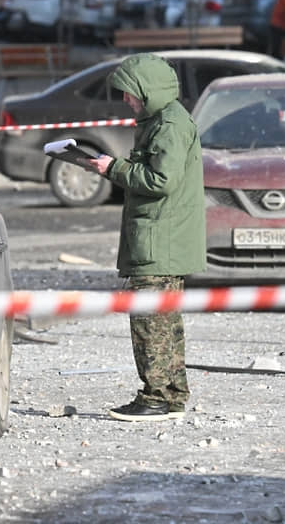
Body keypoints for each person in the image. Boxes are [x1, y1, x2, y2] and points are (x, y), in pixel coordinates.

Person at [85, 54, 206, 422]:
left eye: (129, 93)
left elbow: (160, 181)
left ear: (147, 91)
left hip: (159, 239)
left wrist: (113, 168)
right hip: (164, 238)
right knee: (165, 320)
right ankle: (171, 394)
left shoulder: (168, 125)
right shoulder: (165, 120)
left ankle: (156, 397)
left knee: (150, 321)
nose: (126, 100)